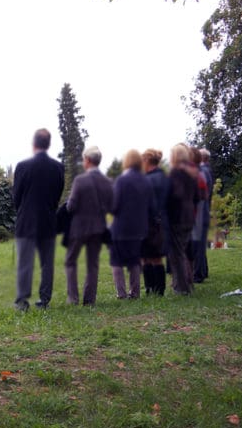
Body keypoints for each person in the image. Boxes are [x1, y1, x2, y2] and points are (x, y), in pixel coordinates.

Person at [12, 128, 64, 311]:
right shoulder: (58, 167)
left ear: (33, 144)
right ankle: (44, 299)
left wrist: (22, 209)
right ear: (48, 144)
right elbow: (58, 194)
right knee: (47, 264)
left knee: (25, 262)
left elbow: (16, 197)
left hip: (26, 220)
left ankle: (22, 300)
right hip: (48, 220)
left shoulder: (22, 166)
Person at [64, 145, 113, 306]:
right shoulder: (107, 182)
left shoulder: (80, 180)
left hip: (79, 227)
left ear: (88, 160)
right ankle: (89, 299)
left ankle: (73, 298)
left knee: (71, 261)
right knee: (93, 264)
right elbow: (112, 205)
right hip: (98, 227)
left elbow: (71, 206)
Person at [109, 149, 153, 299]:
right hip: (139, 228)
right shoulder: (146, 181)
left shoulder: (122, 180)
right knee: (135, 261)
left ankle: (121, 293)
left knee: (116, 261)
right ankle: (135, 292)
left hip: (121, 227)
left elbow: (114, 206)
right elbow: (151, 206)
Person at [166, 144, 198, 295]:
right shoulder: (192, 174)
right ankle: (187, 283)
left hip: (177, 217)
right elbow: (198, 197)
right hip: (189, 216)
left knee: (176, 254)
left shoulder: (175, 173)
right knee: (182, 251)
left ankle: (181, 287)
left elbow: (174, 195)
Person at [141, 149, 170, 295]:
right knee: (154, 257)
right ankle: (158, 289)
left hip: (149, 222)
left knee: (148, 257)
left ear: (147, 161)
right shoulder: (164, 177)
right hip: (161, 221)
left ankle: (151, 288)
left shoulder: (147, 179)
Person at [193, 148, 213, 282]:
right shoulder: (207, 170)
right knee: (200, 244)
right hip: (204, 211)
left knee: (198, 245)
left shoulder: (202, 172)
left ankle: (198, 274)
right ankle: (203, 271)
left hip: (200, 213)